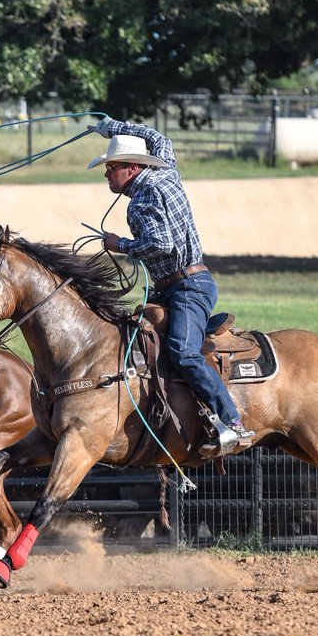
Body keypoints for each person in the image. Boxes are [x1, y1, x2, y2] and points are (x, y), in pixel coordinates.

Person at [88, 117, 254, 455]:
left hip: (187, 288)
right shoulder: (167, 171)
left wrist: (122, 245)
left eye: (111, 167)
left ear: (131, 168)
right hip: (182, 285)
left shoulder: (142, 200)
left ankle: (232, 422)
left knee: (181, 351)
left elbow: (161, 244)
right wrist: (111, 127)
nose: (106, 173)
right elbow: (156, 136)